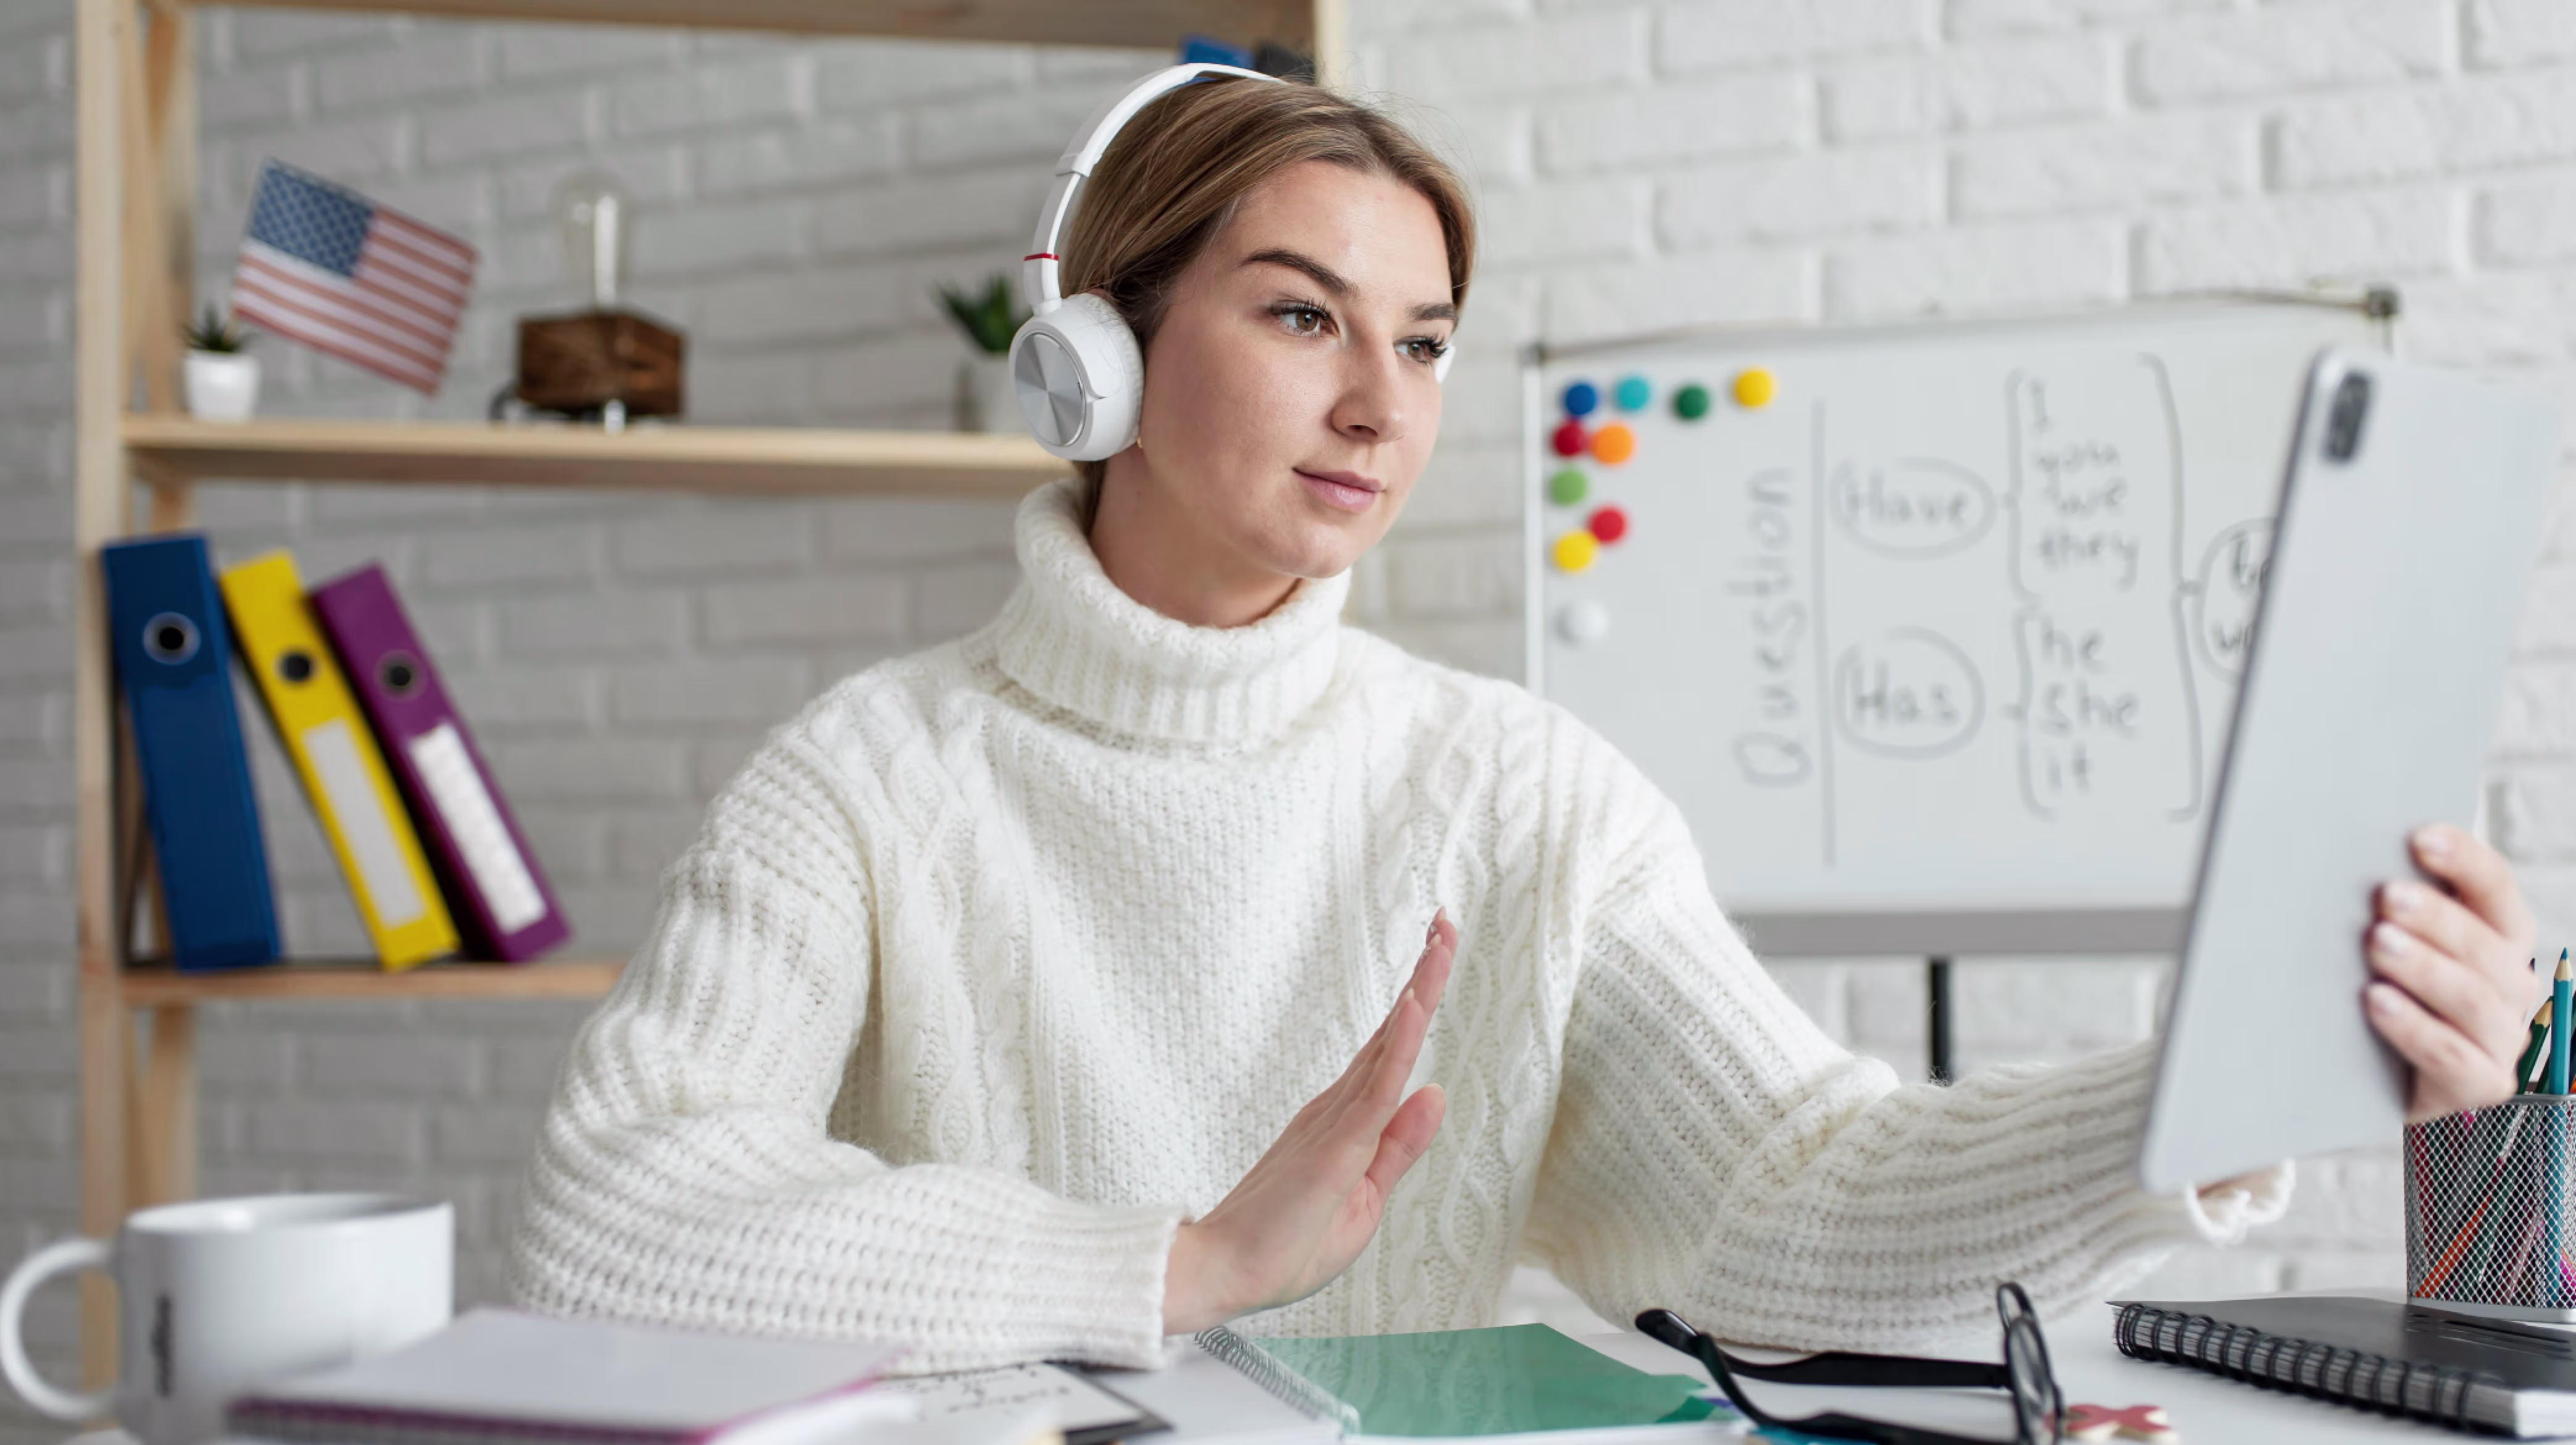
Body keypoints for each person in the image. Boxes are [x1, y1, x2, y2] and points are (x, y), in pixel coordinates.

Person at [504, 75, 2544, 1373]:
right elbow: (611, 1219)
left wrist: (2212, 1099)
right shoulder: (870, 778)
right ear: (1096, 358)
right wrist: (1184, 1260)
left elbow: (1797, 1206)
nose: (1386, 407)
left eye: (1425, 342)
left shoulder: (1516, 792)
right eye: (1304, 317)